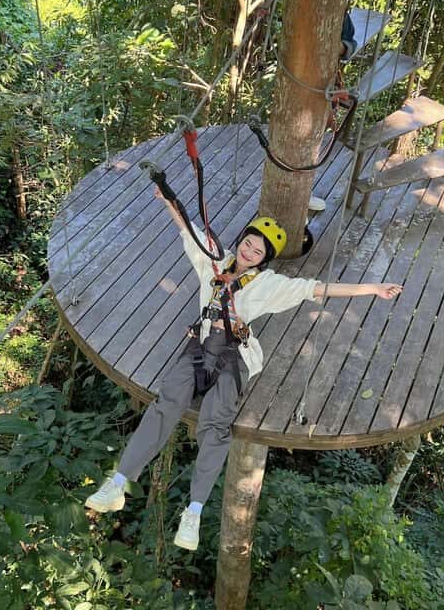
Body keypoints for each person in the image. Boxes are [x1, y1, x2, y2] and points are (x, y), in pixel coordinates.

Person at [86, 188, 402, 550]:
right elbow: (190, 230)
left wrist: (372, 288)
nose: (250, 252)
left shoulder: (268, 285)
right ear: (241, 242)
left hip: (234, 357)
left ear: (264, 259)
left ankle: (193, 512)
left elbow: (317, 289)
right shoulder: (215, 262)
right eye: (249, 244)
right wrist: (166, 197)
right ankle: (119, 482)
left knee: (215, 422)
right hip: (200, 347)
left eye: (259, 251)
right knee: (166, 404)